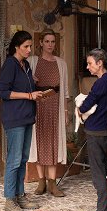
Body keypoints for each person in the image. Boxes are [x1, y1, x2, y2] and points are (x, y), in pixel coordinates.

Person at [0, 30, 43, 211]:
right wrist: (29, 95)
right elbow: (3, 92)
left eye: (30, 46)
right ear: (16, 47)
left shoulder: (26, 66)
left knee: (23, 159)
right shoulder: (10, 64)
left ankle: (20, 194)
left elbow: (27, 88)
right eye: (26, 46)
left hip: (26, 117)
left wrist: (37, 89)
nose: (29, 49)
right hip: (14, 118)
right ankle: (10, 199)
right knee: (14, 160)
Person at [28, 29, 69, 197]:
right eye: (47, 41)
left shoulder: (61, 63)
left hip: (55, 106)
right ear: (41, 43)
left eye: (53, 42)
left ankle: (53, 183)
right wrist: (30, 79)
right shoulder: (32, 61)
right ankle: (41, 182)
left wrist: (66, 111)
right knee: (39, 142)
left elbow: (65, 91)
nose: (50, 45)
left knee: (53, 143)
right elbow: (21, 79)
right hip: (38, 106)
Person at [77, 48, 107, 211]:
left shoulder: (101, 83)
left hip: (96, 131)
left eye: (90, 63)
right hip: (103, 130)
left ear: (100, 63)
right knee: (104, 169)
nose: (88, 67)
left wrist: (80, 108)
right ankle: (105, 207)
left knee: (98, 172)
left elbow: (86, 105)